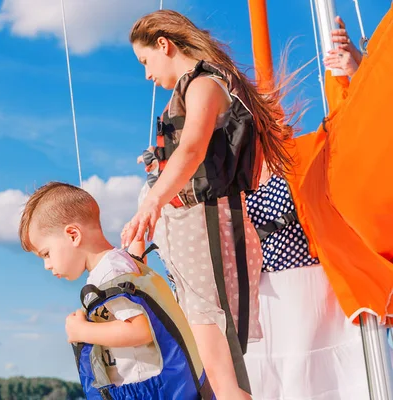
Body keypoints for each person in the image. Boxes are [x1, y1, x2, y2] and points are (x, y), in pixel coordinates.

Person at [122, 9, 297, 400]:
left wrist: (151, 203)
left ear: (164, 45)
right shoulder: (191, 89)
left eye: (145, 61)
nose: (147, 74)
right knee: (215, 371)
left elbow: (193, 150)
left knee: (221, 372)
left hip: (206, 231)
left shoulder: (204, 84)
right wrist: (157, 158)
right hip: (190, 233)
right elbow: (190, 152)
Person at [243, 17, 370, 400]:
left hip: (318, 295)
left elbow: (352, 130)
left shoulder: (308, 151)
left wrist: (354, 71)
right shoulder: (223, 180)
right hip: (262, 308)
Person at [18, 181, 214, 399]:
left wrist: (81, 332)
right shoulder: (119, 264)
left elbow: (139, 330)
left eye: (46, 254)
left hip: (152, 392)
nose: (47, 265)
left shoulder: (109, 274)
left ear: (73, 234)